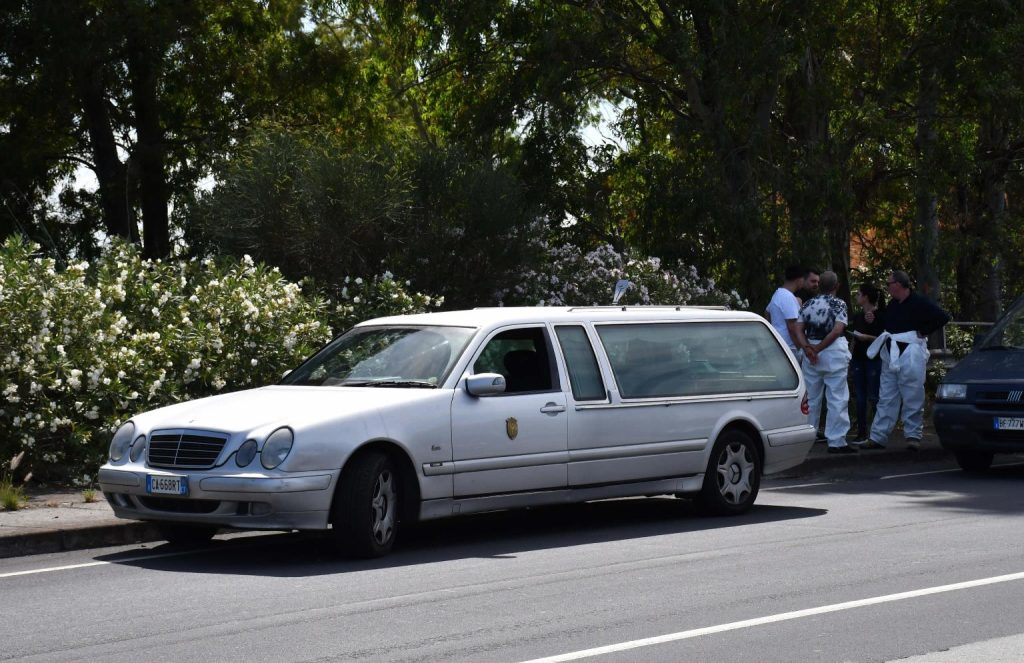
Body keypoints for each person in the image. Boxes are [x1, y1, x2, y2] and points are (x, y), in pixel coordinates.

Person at [858, 270, 950, 451]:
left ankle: (913, 436)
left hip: (911, 351)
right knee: (886, 395)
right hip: (892, 352)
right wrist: (873, 317)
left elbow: (943, 317)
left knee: (912, 394)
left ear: (898, 285)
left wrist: (923, 331)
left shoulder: (919, 302)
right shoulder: (893, 304)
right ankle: (878, 437)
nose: (887, 287)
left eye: (889, 283)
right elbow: (886, 323)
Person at [794, 271, 855, 454]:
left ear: (820, 286)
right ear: (836, 286)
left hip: (811, 353)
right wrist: (818, 349)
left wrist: (807, 348)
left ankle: (807, 437)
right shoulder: (839, 304)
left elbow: (798, 328)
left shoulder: (808, 304)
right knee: (837, 396)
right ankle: (836, 440)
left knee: (811, 398)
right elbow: (837, 330)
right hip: (832, 352)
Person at [848, 283, 885, 442]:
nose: (856, 297)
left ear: (866, 297)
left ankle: (877, 433)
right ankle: (862, 432)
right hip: (858, 359)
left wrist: (866, 337)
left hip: (874, 360)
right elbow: (853, 340)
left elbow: (884, 338)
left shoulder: (880, 316)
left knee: (874, 395)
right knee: (860, 396)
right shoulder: (857, 316)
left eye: (858, 294)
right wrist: (849, 357)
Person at [766, 265, 805, 357]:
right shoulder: (788, 297)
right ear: (799, 279)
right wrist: (801, 348)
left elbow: (767, 311)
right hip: (790, 348)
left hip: (780, 344)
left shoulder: (778, 293)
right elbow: (792, 327)